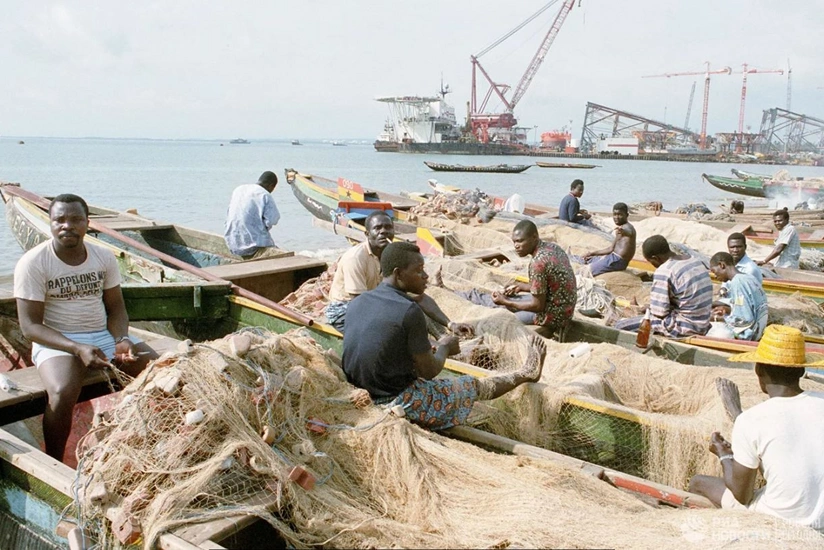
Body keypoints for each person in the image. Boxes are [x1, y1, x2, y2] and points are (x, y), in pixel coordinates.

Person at [342, 242, 547, 430]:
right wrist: (445, 347)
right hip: (393, 400)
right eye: (419, 271)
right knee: (471, 385)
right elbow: (429, 372)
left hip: (361, 390)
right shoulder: (408, 311)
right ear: (399, 274)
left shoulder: (358, 301)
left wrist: (446, 328)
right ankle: (527, 373)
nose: (426, 276)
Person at [14, 194, 158, 460]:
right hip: (56, 340)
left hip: (101, 335)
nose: (67, 225)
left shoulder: (103, 257)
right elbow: (30, 326)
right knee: (62, 391)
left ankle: (155, 441)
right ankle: (55, 459)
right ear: (50, 224)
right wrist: (77, 347)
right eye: (60, 220)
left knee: (160, 369)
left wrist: (121, 339)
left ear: (87, 223)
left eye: (76, 219)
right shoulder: (33, 263)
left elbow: (116, 309)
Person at [688, 325, 824, 534]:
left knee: (698, 482)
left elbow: (743, 495)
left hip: (778, 521)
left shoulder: (751, 420)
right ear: (802, 370)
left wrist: (724, 455)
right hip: (820, 518)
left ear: (758, 370)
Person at [326, 211, 471, 336]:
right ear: (367, 234)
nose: (383, 231)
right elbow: (360, 304)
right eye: (377, 228)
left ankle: (441, 339)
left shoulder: (393, 255)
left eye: (388, 227)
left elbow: (419, 297)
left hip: (375, 299)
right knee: (396, 324)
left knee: (413, 309)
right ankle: (430, 349)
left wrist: (450, 324)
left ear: (394, 232)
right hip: (346, 308)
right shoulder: (356, 258)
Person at [614, 235, 712, 337]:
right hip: (703, 323)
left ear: (655, 258)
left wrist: (648, 310)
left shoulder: (665, 270)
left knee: (620, 326)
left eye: (651, 262)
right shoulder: (693, 260)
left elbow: (660, 313)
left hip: (684, 327)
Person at [489, 220, 576, 333]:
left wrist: (505, 301)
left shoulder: (538, 263)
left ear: (534, 237)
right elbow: (549, 284)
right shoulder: (553, 248)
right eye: (514, 242)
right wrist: (521, 286)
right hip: (566, 307)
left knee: (503, 320)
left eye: (520, 241)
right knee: (511, 303)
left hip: (555, 315)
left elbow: (537, 306)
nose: (516, 246)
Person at [709, 252, 768, 341]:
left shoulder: (738, 283)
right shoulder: (748, 278)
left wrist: (717, 318)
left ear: (721, 265)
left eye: (714, 271)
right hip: (760, 327)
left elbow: (744, 321)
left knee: (707, 328)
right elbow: (745, 304)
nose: (715, 276)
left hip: (751, 334)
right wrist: (725, 309)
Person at [224, 171, 281, 259]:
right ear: (271, 186)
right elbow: (273, 220)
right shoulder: (264, 194)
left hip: (232, 243)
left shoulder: (239, 189)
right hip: (253, 247)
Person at [581, 202, 636, 276]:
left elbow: (629, 232)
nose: (616, 217)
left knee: (586, 271)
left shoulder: (627, 227)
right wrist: (592, 253)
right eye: (615, 214)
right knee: (588, 259)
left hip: (617, 261)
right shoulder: (621, 229)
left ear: (627, 215)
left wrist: (623, 231)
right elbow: (610, 249)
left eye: (620, 214)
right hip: (612, 257)